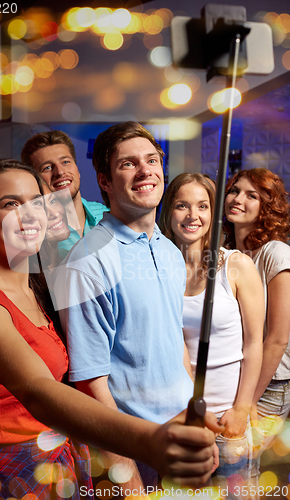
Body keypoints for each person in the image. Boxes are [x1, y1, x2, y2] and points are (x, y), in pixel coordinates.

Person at [0, 157, 221, 499]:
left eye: (36, 202)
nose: (29, 214)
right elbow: (37, 391)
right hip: (12, 477)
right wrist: (146, 440)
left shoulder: (36, 288)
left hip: (60, 460)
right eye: (11, 204)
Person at [52, 122, 218, 489]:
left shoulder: (170, 250)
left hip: (181, 430)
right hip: (134, 446)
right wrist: (124, 474)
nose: (146, 171)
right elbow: (89, 382)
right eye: (128, 164)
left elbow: (175, 345)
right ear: (105, 182)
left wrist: (196, 422)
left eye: (152, 160)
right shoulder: (87, 262)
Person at [158, 173, 264, 491]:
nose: (193, 216)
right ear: (168, 212)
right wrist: (190, 408)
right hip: (183, 417)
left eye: (203, 206)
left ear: (213, 212)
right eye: (182, 205)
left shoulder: (236, 265)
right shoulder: (161, 270)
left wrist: (242, 408)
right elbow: (173, 345)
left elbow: (254, 342)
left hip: (228, 417)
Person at [223, 167, 290, 483]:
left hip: (270, 384)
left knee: (243, 471)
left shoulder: (275, 252)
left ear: (268, 207)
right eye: (235, 190)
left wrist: (247, 401)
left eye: (252, 195)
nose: (238, 199)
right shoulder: (228, 253)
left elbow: (277, 338)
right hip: (239, 378)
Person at [21, 130, 109, 258]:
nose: (60, 172)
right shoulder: (37, 233)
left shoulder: (108, 215)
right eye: (47, 167)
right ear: (34, 180)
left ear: (77, 168)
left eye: (65, 162)